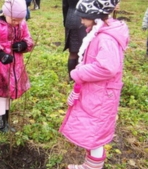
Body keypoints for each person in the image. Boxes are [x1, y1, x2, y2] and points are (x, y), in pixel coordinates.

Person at [59, 0, 129, 168]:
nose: (81, 21)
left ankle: (92, 167)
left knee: (95, 134)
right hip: (97, 92)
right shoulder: (98, 32)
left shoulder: (106, 38)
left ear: (95, 17)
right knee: (92, 131)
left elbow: (107, 67)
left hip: (102, 96)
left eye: (83, 17)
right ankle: (88, 165)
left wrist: (79, 72)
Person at [0, 0, 34, 133]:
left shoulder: (21, 23)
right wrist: (0, 54)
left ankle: (7, 119)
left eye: (20, 20)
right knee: (1, 94)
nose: (17, 23)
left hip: (15, 66)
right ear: (6, 13)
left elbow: (28, 38)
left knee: (9, 93)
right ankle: (1, 123)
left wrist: (24, 45)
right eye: (14, 19)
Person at [62, 0, 87, 82]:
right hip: (85, 19)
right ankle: (76, 78)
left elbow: (65, 6)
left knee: (73, 52)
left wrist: (66, 21)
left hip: (70, 18)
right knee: (84, 52)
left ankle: (72, 78)